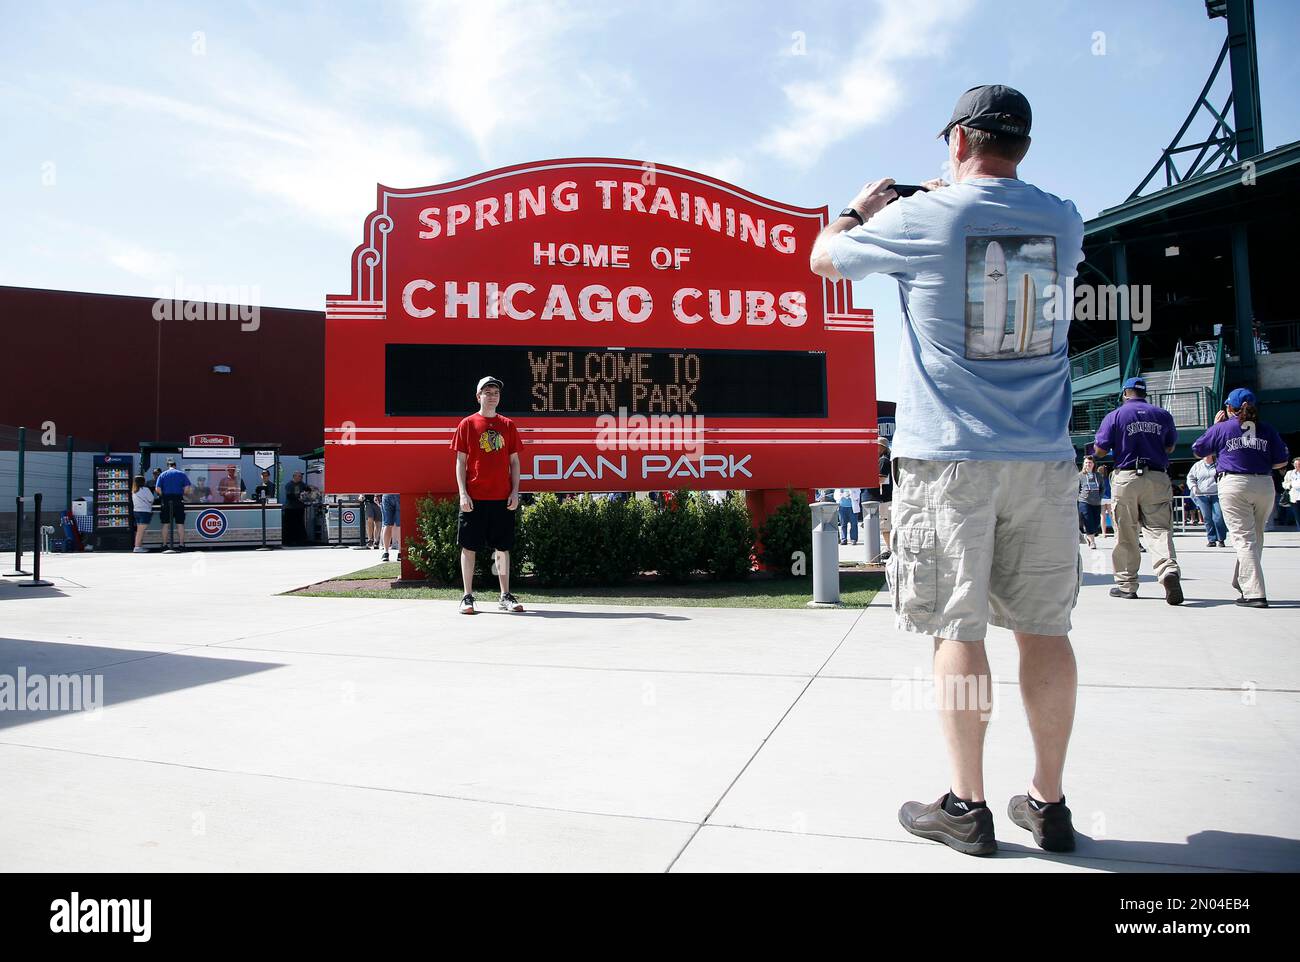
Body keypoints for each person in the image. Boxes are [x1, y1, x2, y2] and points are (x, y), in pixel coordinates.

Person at [811, 84, 1084, 855]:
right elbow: (995, 235)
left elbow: (823, 261)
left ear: (960, 139)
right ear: (1021, 144)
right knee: (1045, 629)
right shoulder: (1063, 218)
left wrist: (861, 213)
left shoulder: (920, 217)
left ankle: (966, 807)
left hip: (951, 459)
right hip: (1044, 458)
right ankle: (1048, 803)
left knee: (957, 629)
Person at [1192, 389, 1290, 608]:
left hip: (1234, 483)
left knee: (1244, 540)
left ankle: (1255, 593)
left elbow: (1198, 450)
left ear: (1229, 408)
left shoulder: (1223, 427)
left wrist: (1215, 426)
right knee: (1256, 537)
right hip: (1264, 483)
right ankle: (1242, 581)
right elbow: (1281, 461)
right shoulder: (1267, 429)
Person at [1093, 377, 1182, 604]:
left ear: (1125, 393)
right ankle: (1168, 571)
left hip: (1126, 477)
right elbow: (1170, 446)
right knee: (1159, 530)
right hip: (1156, 475)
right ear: (1145, 393)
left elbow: (1100, 450)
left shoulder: (1115, 415)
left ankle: (1127, 584)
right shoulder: (1162, 415)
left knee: (1126, 533)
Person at [451, 375, 524, 615]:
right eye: (487, 392)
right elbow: (460, 462)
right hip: (474, 497)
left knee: (502, 549)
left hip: (502, 498)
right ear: (478, 396)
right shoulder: (467, 424)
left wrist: (515, 491)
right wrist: (463, 493)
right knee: (469, 548)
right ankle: (467, 596)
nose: (492, 396)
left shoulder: (508, 425)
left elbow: (514, 462)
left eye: (496, 393)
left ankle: (505, 595)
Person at [1186, 454, 1228, 547]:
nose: (1206, 455)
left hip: (1216, 494)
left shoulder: (1219, 464)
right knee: (1207, 518)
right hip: (1201, 495)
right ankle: (1211, 539)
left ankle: (1221, 539)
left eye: (1208, 453)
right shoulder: (1197, 465)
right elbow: (1190, 478)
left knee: (1218, 517)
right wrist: (1193, 486)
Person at [154, 457, 192, 550]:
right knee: (180, 523)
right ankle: (181, 545)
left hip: (166, 500)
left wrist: (163, 496)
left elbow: (157, 489)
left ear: (168, 466)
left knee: (165, 524)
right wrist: (183, 494)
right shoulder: (181, 474)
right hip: (178, 500)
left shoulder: (162, 475)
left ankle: (164, 545)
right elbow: (187, 488)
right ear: (175, 466)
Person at [1076, 456, 1102, 549]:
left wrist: (1099, 497)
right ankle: (1092, 542)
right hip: (1084, 501)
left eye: (1090, 462)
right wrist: (1079, 498)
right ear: (1084, 464)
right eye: (1086, 463)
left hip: (1096, 502)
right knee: (1088, 521)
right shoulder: (1080, 475)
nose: (1088, 464)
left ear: (1093, 464)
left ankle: (1088, 536)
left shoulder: (1098, 475)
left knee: (1096, 523)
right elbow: (1077, 489)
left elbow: (1102, 488)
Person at [283, 471, 312, 545]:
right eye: (299, 476)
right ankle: (289, 541)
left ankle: (301, 540)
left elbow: (308, 489)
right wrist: (299, 497)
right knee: (290, 525)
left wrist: (307, 493)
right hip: (290, 508)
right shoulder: (289, 485)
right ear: (294, 476)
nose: (301, 478)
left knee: (300, 524)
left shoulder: (302, 484)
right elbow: (289, 496)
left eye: (301, 476)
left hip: (299, 508)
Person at [131, 474, 155, 553]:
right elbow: (151, 499)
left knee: (139, 530)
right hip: (144, 511)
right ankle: (137, 547)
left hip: (136, 511)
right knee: (140, 531)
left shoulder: (134, 491)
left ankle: (139, 546)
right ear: (143, 482)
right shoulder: (145, 489)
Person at [379, 493, 400, 562]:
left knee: (387, 524)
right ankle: (400, 553)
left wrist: (376, 496)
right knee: (399, 525)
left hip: (387, 494)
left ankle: (386, 552)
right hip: (399, 493)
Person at [1097, 464, 1114, 537]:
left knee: (1102, 516)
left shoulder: (1098, 480)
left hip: (1101, 499)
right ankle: (1116, 532)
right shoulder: (1109, 478)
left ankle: (1104, 533)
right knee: (1111, 515)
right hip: (1109, 498)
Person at [1285, 458, 1300, 529]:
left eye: (1298, 465)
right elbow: (1284, 484)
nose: (1297, 466)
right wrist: (1289, 485)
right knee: (1298, 517)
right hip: (1294, 498)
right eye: (1295, 464)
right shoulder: (1290, 473)